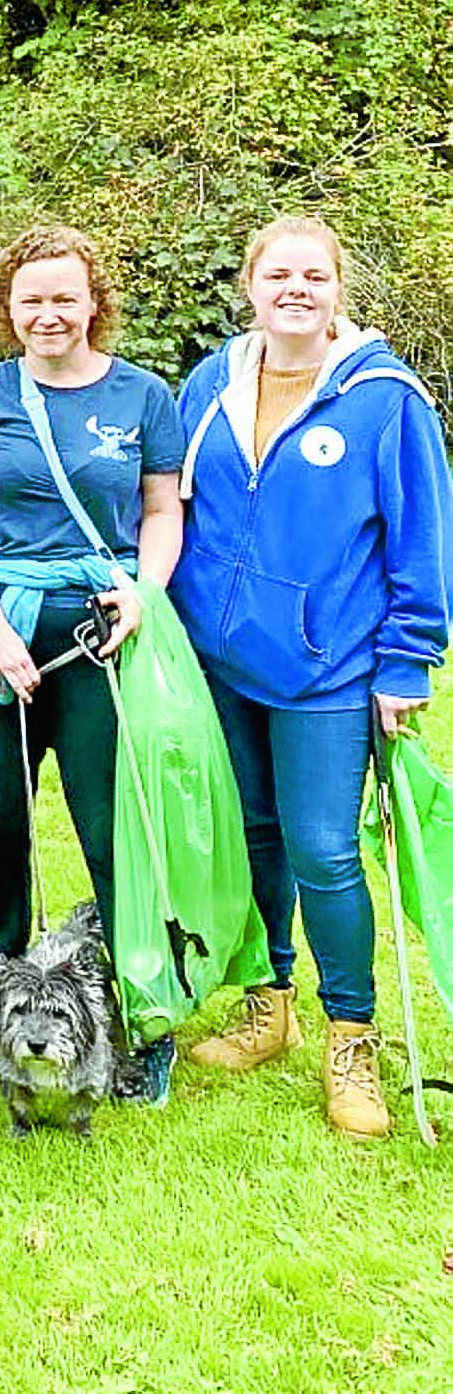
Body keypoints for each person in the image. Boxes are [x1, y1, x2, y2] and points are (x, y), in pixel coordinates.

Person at [172, 216, 453, 1139]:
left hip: (332, 668)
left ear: (338, 289)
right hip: (221, 661)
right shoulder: (212, 380)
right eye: (277, 273)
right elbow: (167, 496)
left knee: (323, 850)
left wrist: (407, 658)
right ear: (249, 284)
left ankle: (351, 1035)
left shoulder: (384, 398)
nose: (295, 288)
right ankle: (267, 1002)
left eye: (314, 275)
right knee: (251, 832)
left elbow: (419, 540)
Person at [0, 225, 184, 1106]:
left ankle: (138, 1004)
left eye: (63, 297)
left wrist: (144, 591)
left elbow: (159, 510)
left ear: (93, 302)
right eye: (30, 299)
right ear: (7, 308)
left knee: (114, 823)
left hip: (99, 629)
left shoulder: (143, 396)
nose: (47, 313)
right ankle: (1, 967)